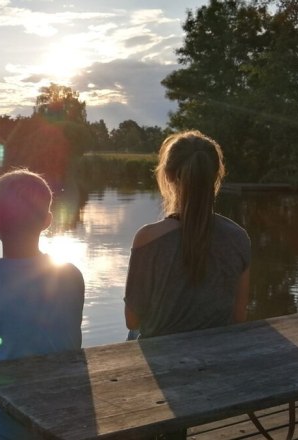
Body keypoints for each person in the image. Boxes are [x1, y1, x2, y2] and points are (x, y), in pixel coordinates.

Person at [123, 131, 250, 439]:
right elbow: (238, 317)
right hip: (214, 362)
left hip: (162, 367)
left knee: (131, 335)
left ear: (168, 176)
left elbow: (133, 319)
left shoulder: (148, 238)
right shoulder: (239, 238)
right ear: (215, 177)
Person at [0, 169, 85, 440]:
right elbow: (70, 344)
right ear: (47, 221)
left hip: (4, 424)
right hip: (63, 413)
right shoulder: (72, 275)